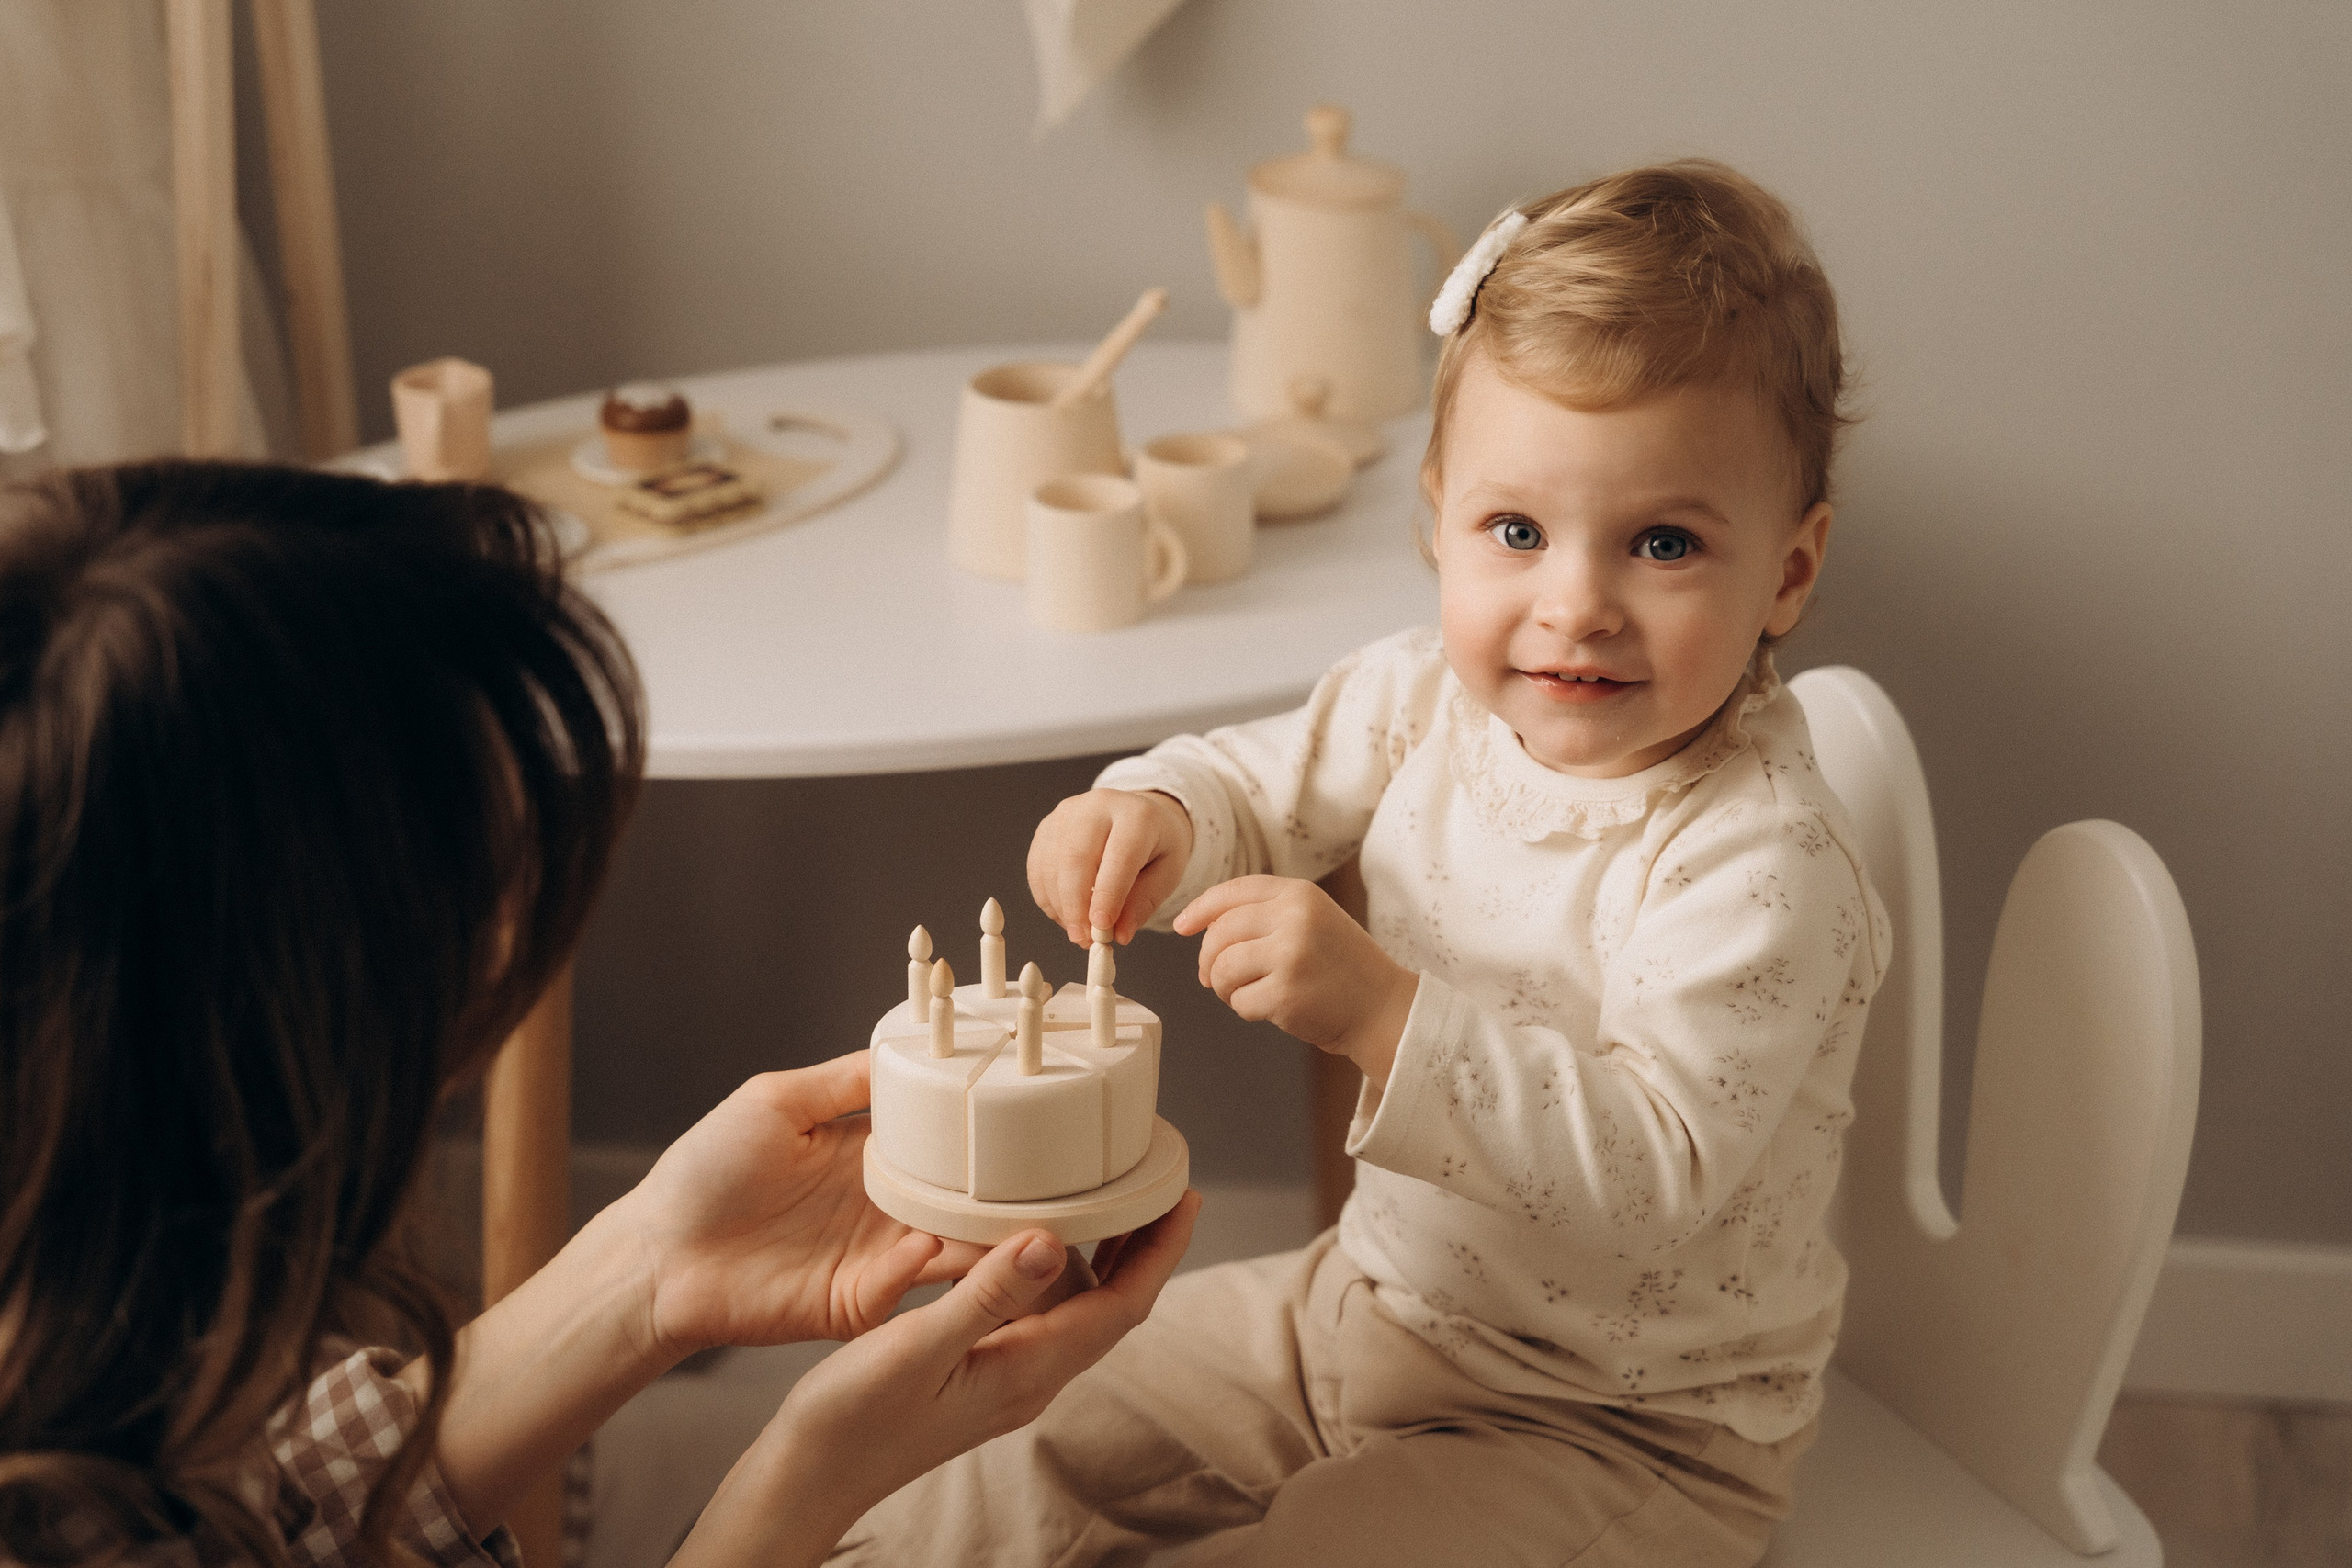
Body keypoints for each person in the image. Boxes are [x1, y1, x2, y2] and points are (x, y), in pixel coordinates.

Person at [834, 161, 1892, 1567]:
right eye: (1516, 532)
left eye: (1664, 543)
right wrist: (1154, 809)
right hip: (1365, 1310)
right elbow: (1259, 782)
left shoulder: (1760, 859)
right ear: (1438, 520)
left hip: (1626, 1435)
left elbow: (1655, 1171)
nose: (1574, 603)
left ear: (1789, 573)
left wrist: (1388, 1015)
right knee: (986, 1443)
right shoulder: (1422, 701)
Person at [0, 460, 1197, 1568]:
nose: (508, 943)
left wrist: (647, 1274)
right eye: (472, 892)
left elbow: (267, 1511)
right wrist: (804, 1480)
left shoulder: (90, 1338)